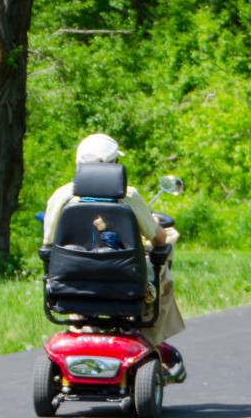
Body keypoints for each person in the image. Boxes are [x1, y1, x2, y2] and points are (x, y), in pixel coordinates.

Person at [42, 133, 185, 372]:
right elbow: (158, 238)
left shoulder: (62, 195)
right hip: (125, 280)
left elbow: (47, 243)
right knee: (162, 273)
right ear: (112, 165)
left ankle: (85, 330)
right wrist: (151, 222)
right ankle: (151, 342)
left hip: (72, 280)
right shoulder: (127, 195)